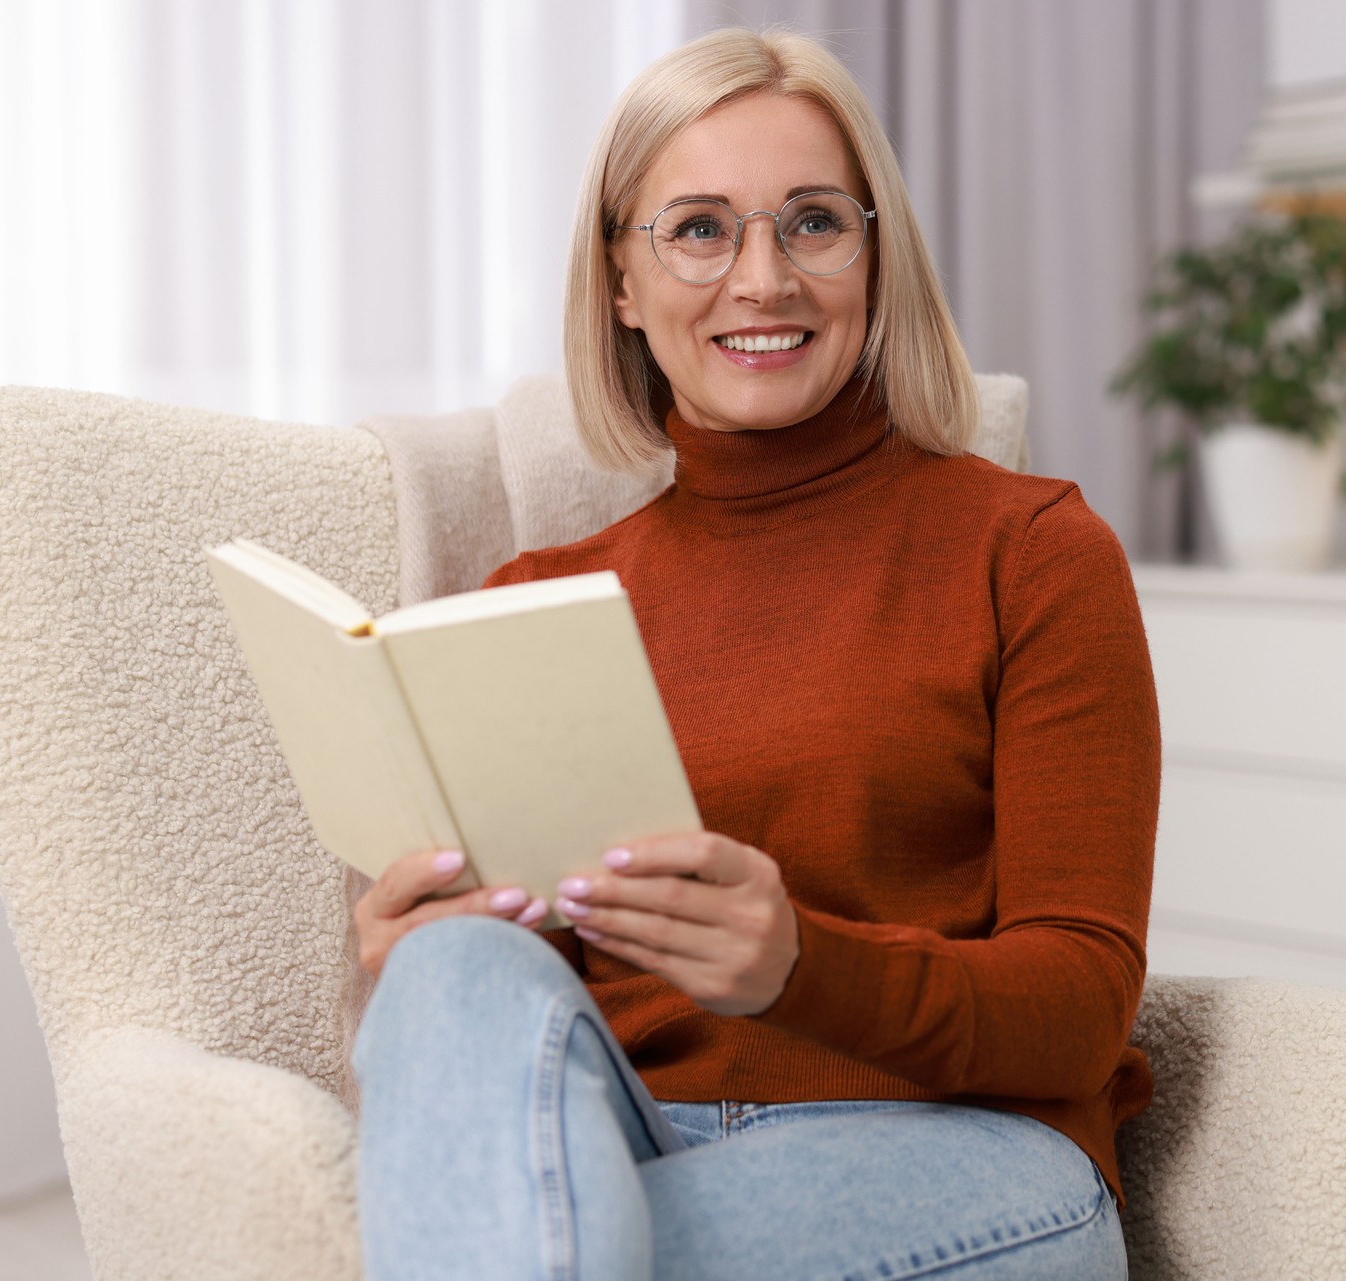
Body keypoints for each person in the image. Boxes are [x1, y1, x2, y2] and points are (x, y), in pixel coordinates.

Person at [348, 25, 1159, 1281]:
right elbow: (510, 1064)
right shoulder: (534, 603)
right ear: (622, 278)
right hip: (627, 1136)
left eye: (815, 222)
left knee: (534, 1244)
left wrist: (800, 967)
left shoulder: (1033, 551)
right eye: (700, 227)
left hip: (962, 1157)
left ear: (875, 258)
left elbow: (1081, 1006)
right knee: (455, 972)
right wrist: (410, 971)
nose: (764, 279)